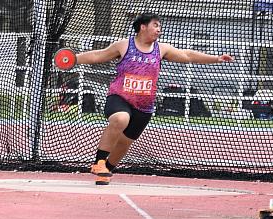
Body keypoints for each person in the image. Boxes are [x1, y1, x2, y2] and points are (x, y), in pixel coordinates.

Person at [74, 12, 234, 185]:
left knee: (124, 143)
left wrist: (215, 59)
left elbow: (187, 55)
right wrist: (72, 59)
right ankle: (98, 163)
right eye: (155, 25)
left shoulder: (161, 49)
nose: (159, 29)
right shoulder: (124, 45)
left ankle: (105, 172)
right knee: (120, 119)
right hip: (119, 97)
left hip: (144, 106)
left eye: (159, 26)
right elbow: (98, 55)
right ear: (143, 27)